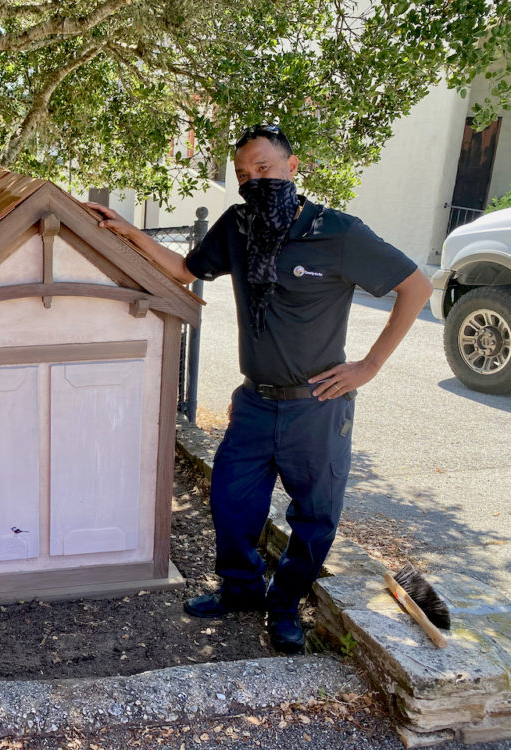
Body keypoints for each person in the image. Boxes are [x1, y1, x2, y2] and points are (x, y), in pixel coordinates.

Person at [87, 124, 432, 654]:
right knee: (230, 502)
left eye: (264, 169)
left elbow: (416, 286)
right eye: (244, 174)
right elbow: (185, 269)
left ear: (293, 168)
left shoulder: (338, 232)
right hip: (254, 403)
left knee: (315, 519)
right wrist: (131, 232)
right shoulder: (239, 225)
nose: (254, 180)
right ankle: (242, 589)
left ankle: (286, 603)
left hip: (316, 407)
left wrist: (369, 366)